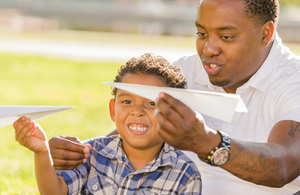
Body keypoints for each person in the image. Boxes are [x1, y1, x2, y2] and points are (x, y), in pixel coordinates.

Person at [49, 0, 300, 194]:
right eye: (202, 34)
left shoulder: (292, 80)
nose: (209, 49)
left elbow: (284, 165)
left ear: (266, 33)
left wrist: (209, 144)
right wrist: (79, 152)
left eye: (226, 37)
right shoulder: (185, 72)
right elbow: (132, 135)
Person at [13, 53, 202, 195]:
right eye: (127, 102)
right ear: (113, 110)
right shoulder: (91, 153)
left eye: (151, 103)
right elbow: (55, 191)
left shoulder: (184, 172)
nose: (137, 111)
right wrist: (42, 152)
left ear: (172, 115)